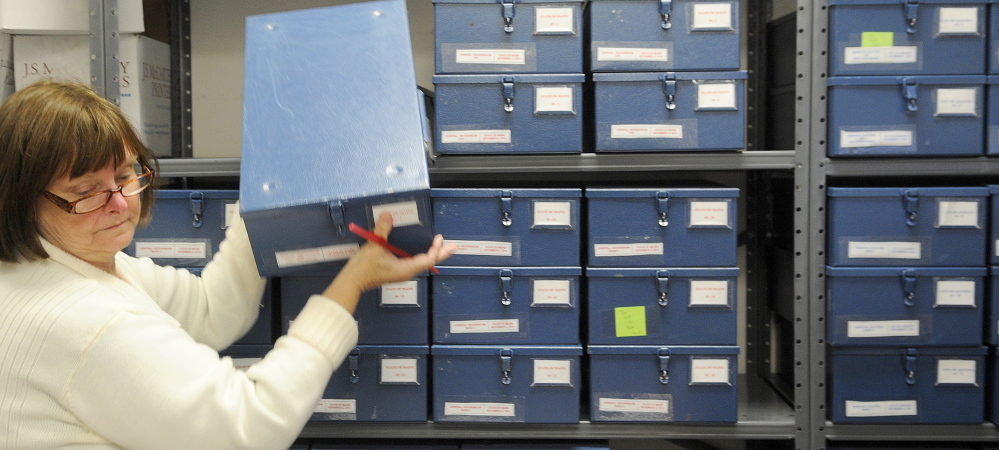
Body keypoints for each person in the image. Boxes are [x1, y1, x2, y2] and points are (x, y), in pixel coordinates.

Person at [0, 79, 454, 449]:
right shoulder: (88, 322)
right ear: (22, 200)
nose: (118, 203)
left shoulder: (69, 264)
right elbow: (251, 425)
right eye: (86, 192)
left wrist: (267, 197)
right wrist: (349, 286)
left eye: (124, 176)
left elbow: (210, 310)